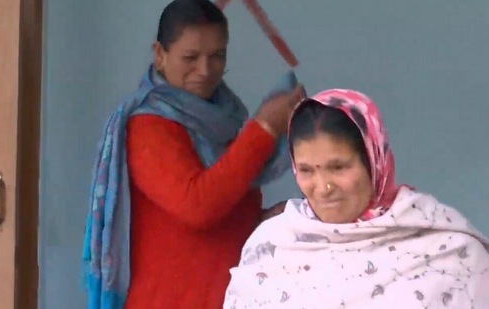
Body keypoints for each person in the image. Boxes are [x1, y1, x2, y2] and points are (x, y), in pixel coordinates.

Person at [81, 0, 305, 308]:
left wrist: (262, 220)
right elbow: (197, 206)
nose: (205, 70)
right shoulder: (147, 125)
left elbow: (222, 202)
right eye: (190, 57)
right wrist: (264, 128)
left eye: (217, 56)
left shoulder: (222, 119)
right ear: (159, 55)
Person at [223, 89, 489, 308]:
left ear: (374, 162)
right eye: (306, 171)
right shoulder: (270, 247)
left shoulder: (450, 250)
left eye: (338, 167)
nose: (323, 187)